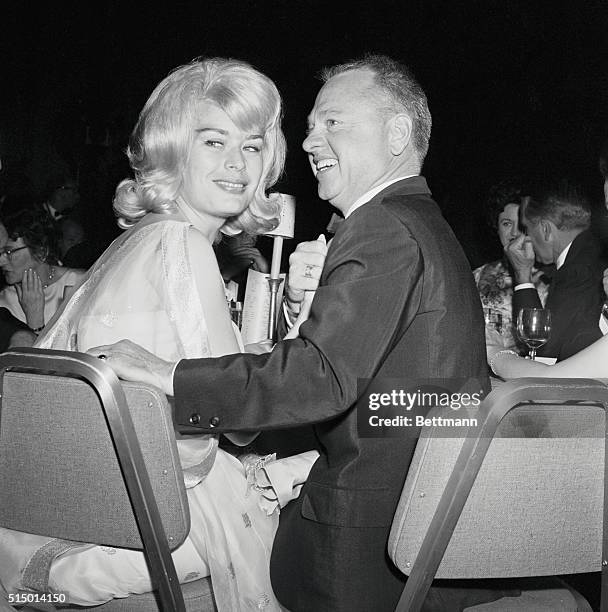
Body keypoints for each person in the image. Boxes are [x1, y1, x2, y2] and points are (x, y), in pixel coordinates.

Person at [90, 54, 504, 612]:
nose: (309, 142)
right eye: (308, 128)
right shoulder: (420, 223)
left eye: (332, 122)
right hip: (422, 518)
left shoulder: (383, 227)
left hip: (364, 544)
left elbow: (322, 377)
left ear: (398, 134)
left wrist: (169, 376)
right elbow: (384, 387)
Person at [0, 58, 318, 612]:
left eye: (252, 145)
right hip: (144, 518)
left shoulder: (140, 238)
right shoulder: (184, 244)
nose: (238, 164)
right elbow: (240, 422)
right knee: (324, 505)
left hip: (64, 503)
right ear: (174, 147)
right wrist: (300, 341)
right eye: (214, 141)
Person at [505, 180, 605, 361]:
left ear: (545, 229)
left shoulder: (577, 271)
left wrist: (522, 273)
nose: (525, 238)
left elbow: (543, 350)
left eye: (527, 228)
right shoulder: (588, 255)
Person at [473, 180, 549, 359]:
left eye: (521, 226)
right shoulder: (477, 277)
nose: (514, 233)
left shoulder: (551, 279)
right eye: (506, 223)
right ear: (496, 227)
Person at [0, 209, 86, 335]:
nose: (1, 261)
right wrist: (35, 322)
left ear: (41, 251)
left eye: (8, 252)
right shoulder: (4, 302)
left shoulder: (80, 283)